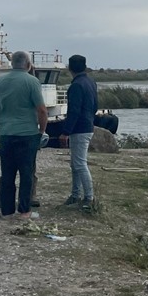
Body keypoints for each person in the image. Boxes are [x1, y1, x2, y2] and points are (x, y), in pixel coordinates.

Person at [0, 50, 48, 219]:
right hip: (28, 133)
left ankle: (6, 210)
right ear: (28, 64)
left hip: (7, 133)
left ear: (12, 63)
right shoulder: (32, 81)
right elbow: (42, 110)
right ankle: (24, 210)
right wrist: (41, 130)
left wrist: (0, 124)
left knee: (7, 173)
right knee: (26, 173)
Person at [60, 54, 98, 209]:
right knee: (76, 163)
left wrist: (66, 131)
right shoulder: (91, 82)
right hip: (88, 125)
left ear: (70, 68)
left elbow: (73, 111)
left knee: (80, 163)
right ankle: (75, 195)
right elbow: (95, 105)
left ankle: (89, 198)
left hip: (79, 129)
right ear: (85, 66)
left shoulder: (76, 86)